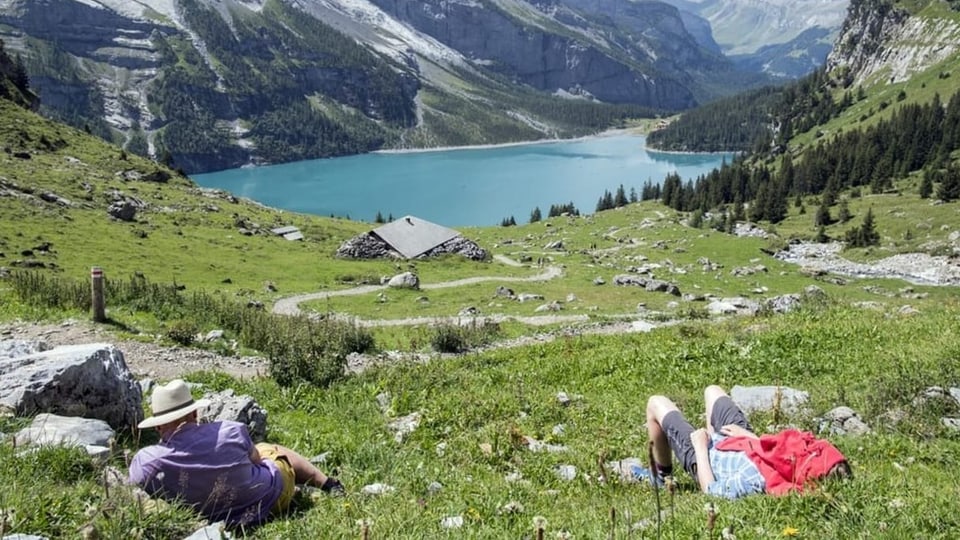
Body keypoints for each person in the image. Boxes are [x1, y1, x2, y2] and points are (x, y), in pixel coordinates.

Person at [128, 379, 344, 526]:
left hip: (217, 520)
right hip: (271, 499)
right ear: (194, 412)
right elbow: (256, 460)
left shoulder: (147, 462)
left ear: (157, 426)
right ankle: (327, 483)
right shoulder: (230, 430)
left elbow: (135, 480)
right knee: (269, 449)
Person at [638, 385, 851, 499]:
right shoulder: (796, 462)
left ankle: (662, 475)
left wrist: (701, 448)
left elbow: (711, 491)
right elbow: (777, 452)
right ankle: (715, 434)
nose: (809, 446)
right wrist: (751, 438)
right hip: (744, 441)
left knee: (655, 403)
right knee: (713, 391)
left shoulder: (754, 481)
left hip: (708, 457)